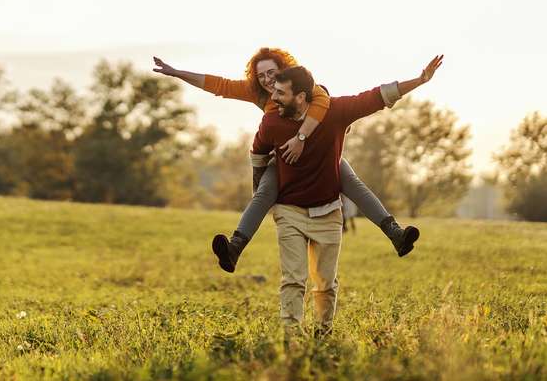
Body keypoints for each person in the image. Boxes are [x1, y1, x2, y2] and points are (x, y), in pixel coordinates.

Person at [152, 49, 419, 272]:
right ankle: (234, 248)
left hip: (321, 153)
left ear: (284, 69)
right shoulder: (259, 94)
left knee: (352, 183)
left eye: (271, 72)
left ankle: (395, 233)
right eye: (261, 75)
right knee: (263, 193)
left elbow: (328, 101)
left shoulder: (307, 89)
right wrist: (177, 72)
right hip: (283, 158)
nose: (267, 80)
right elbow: (217, 85)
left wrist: (302, 137)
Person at [251, 57, 442, 337]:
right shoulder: (271, 122)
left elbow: (378, 96)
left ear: (301, 97)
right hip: (289, 210)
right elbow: (257, 153)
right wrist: (261, 192)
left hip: (328, 212)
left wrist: (420, 80)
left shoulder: (337, 111)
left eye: (281, 93)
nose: (274, 97)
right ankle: (291, 337)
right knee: (293, 279)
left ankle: (323, 333)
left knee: (326, 283)